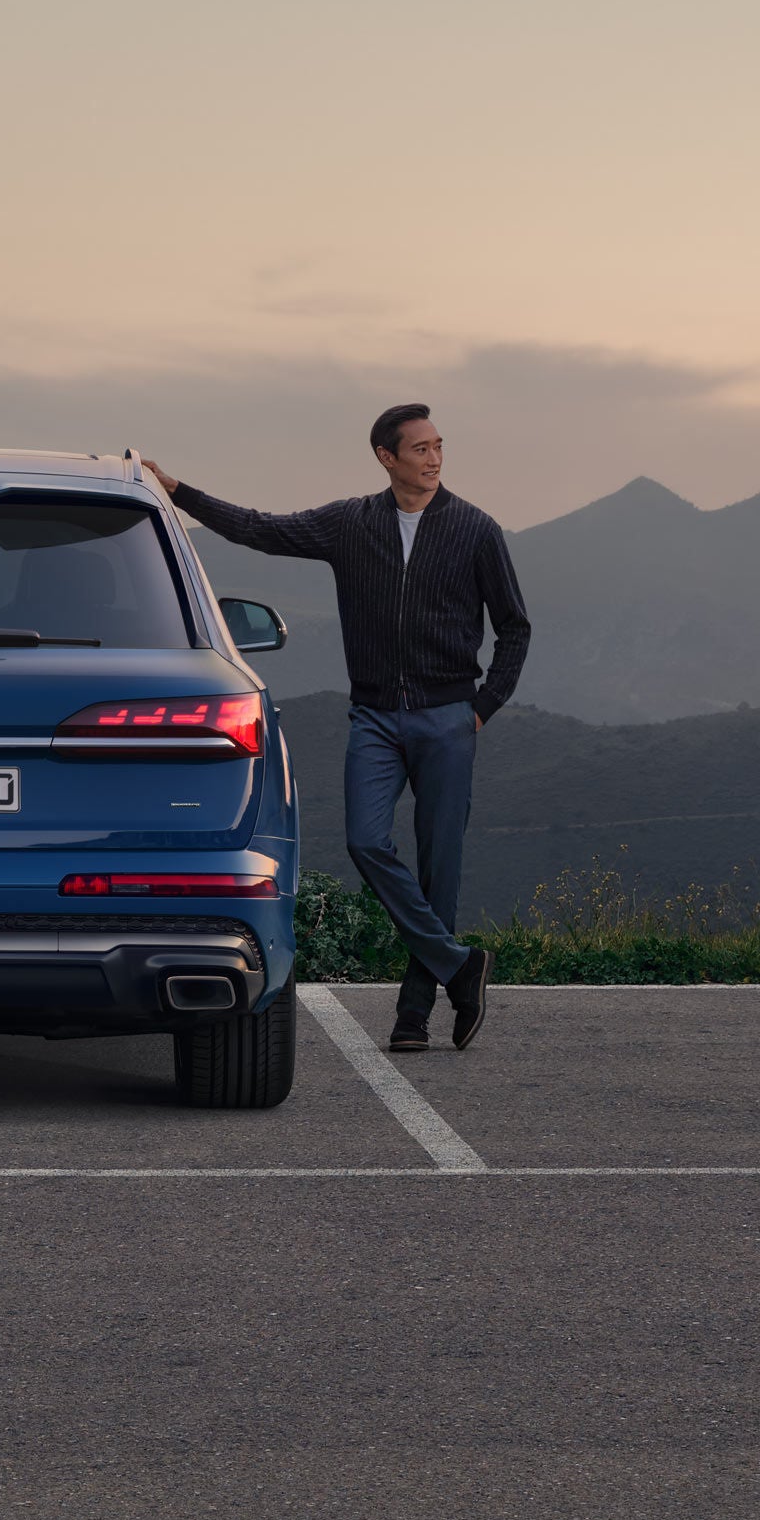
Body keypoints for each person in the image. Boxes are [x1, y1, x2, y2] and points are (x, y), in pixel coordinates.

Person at [144, 406, 530, 1052]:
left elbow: (514, 627)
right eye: (421, 449)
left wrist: (484, 705)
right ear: (386, 456)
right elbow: (259, 529)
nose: (434, 459)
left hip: (448, 717)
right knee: (365, 841)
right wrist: (181, 494)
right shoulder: (351, 524)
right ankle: (460, 965)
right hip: (375, 716)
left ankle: (414, 1016)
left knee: (441, 871)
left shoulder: (474, 530)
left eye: (439, 447)